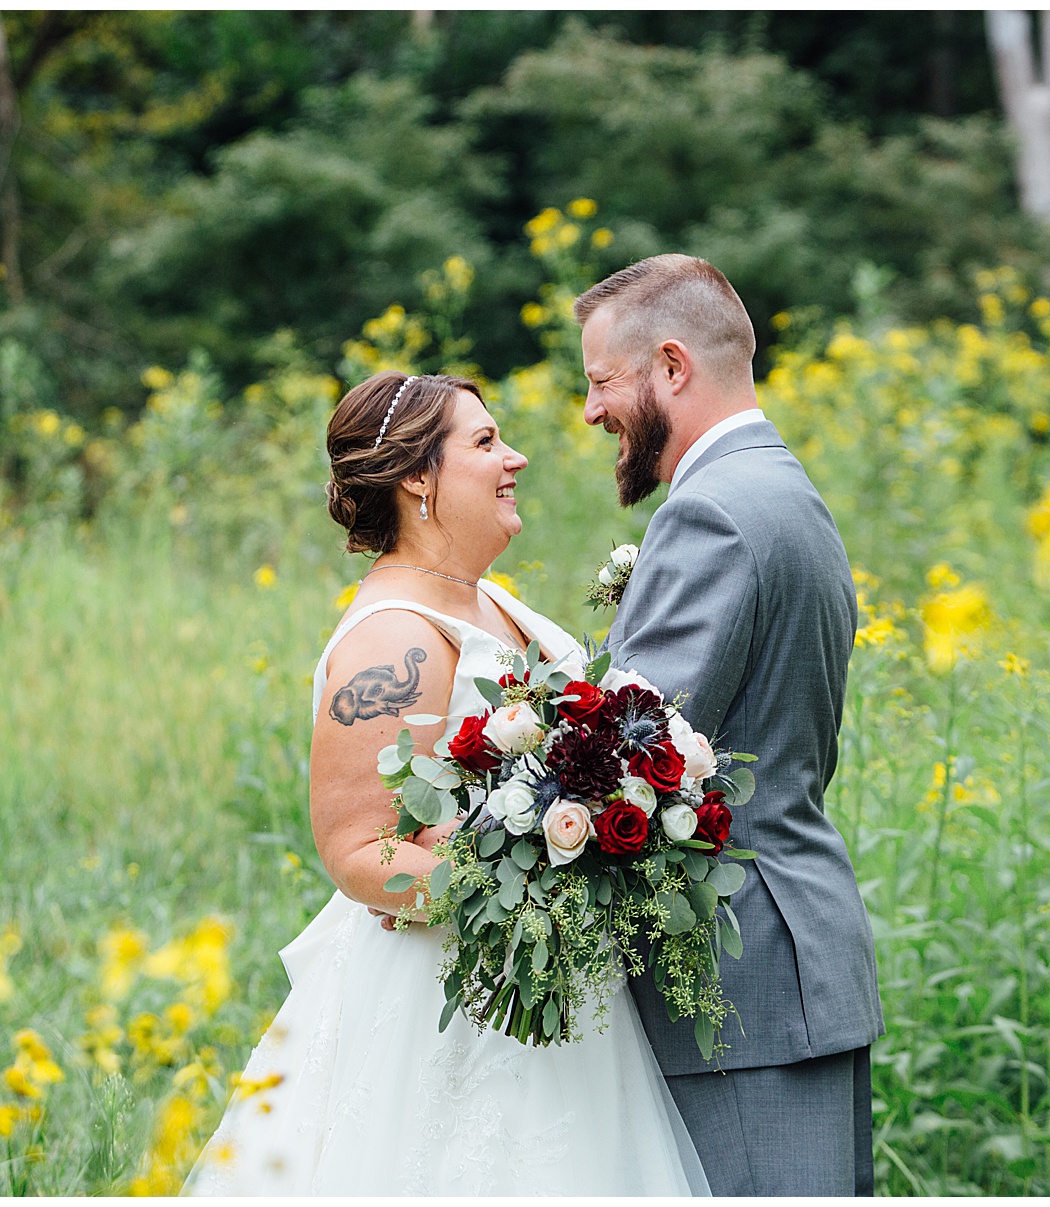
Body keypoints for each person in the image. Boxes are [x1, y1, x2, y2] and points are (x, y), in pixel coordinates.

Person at [183, 371, 708, 1195]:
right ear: (417, 478)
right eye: (486, 442)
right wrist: (525, 895)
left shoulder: (488, 600)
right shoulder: (395, 641)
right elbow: (360, 849)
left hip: (555, 994)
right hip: (458, 1007)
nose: (516, 458)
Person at [574, 254, 884, 1196]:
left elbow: (627, 755)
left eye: (601, 381)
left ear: (671, 367)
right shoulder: (783, 488)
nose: (590, 411)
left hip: (738, 981)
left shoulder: (710, 511)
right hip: (792, 964)